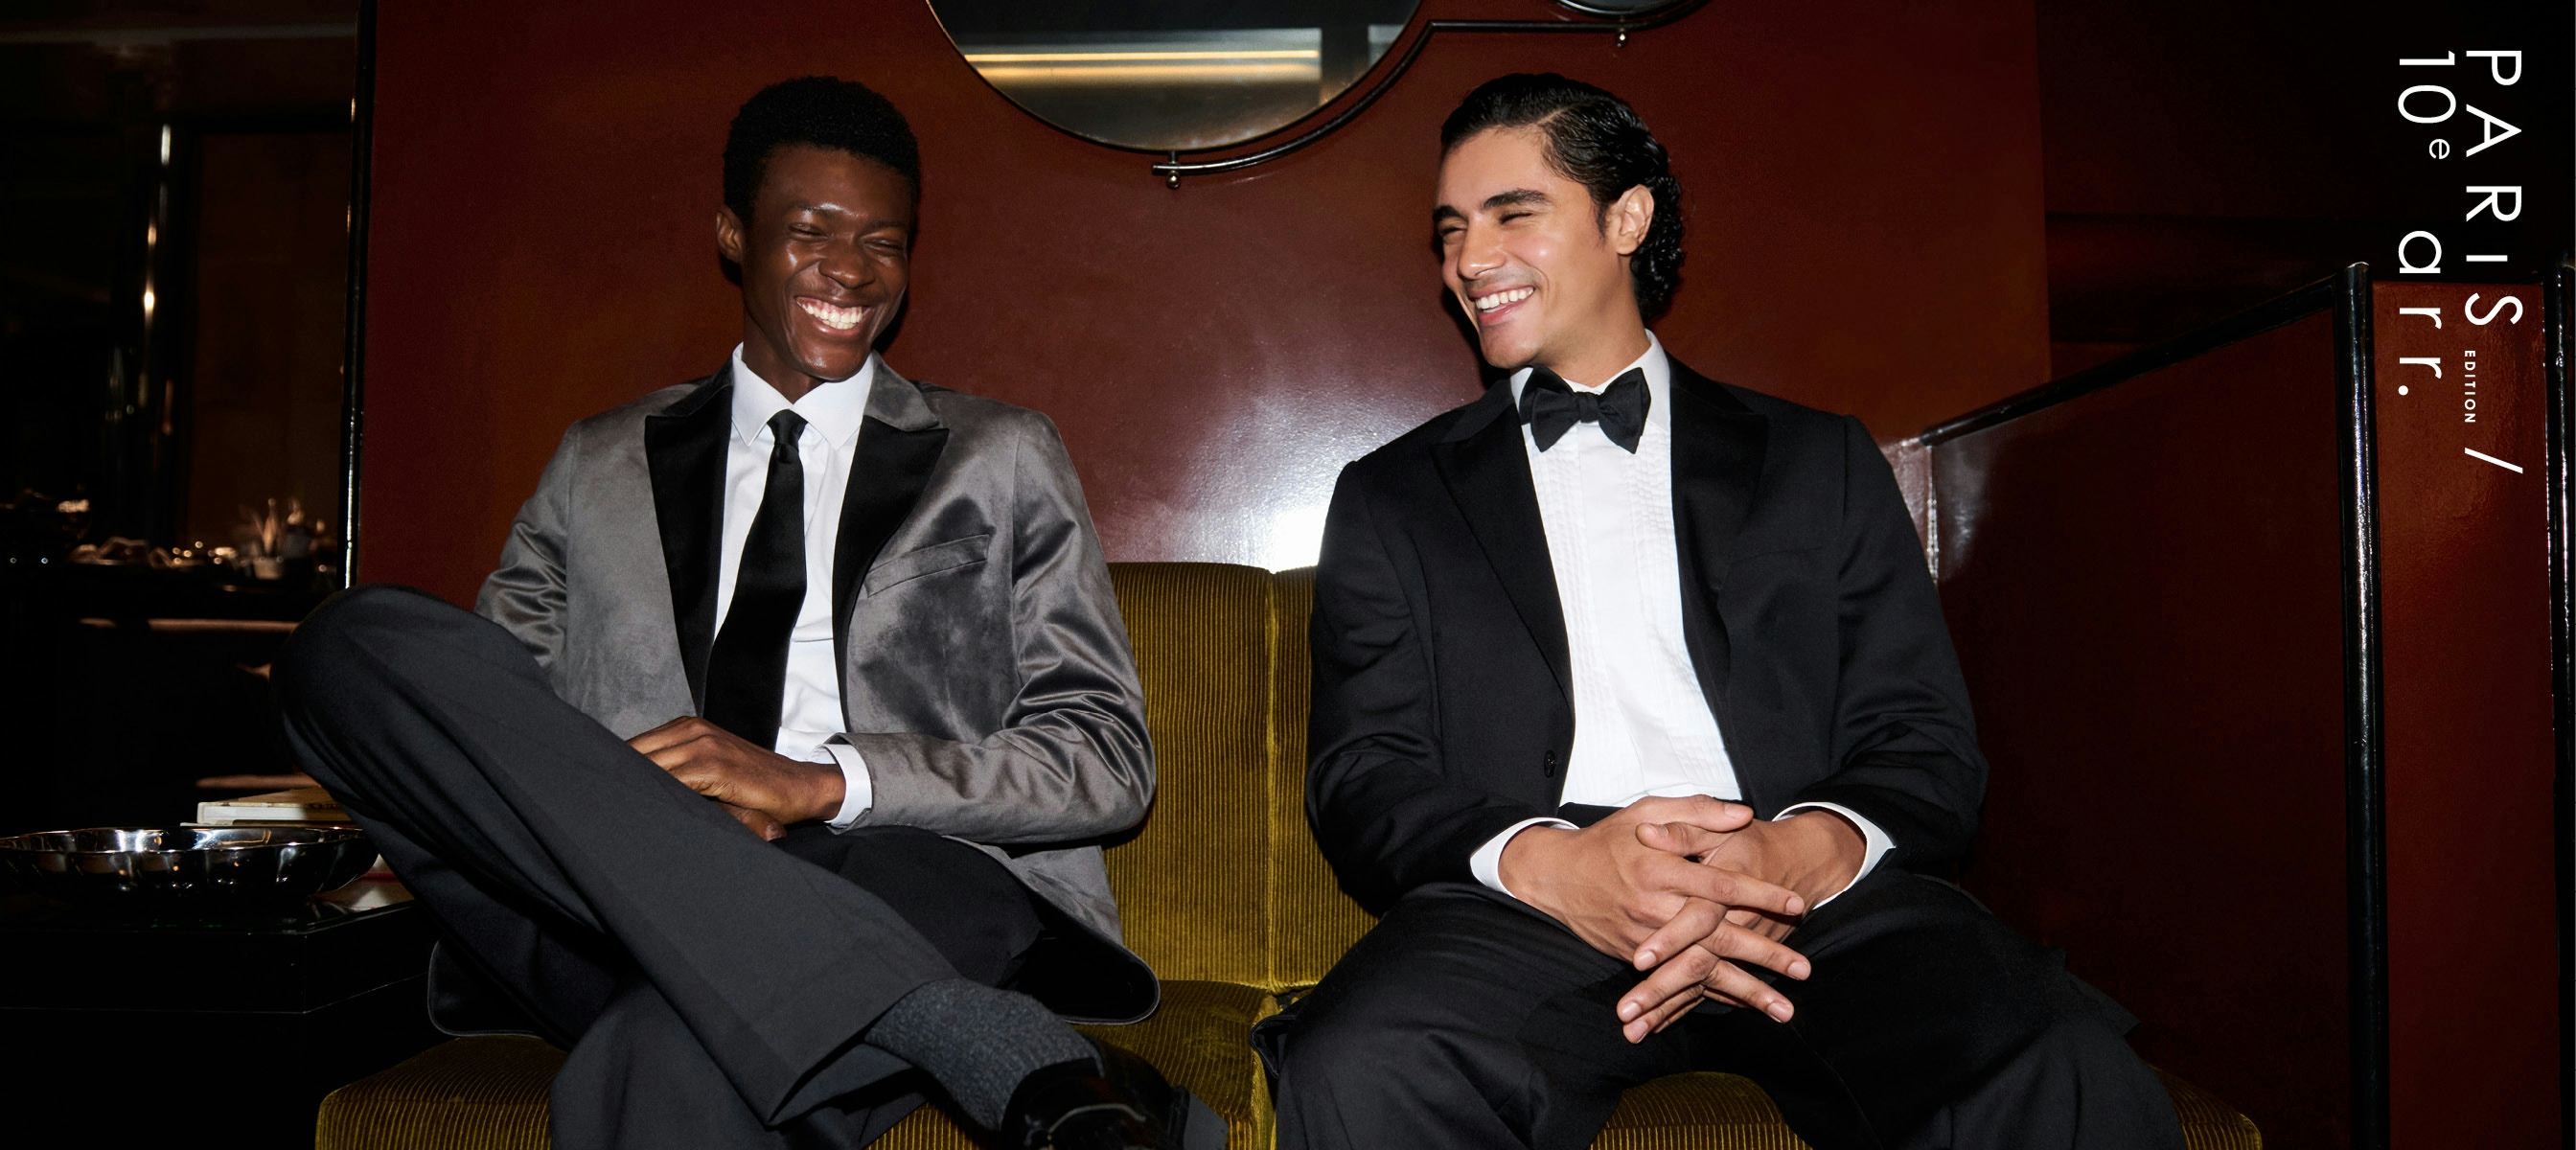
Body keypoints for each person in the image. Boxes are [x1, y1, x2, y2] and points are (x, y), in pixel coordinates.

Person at [275, 76, 1218, 1150]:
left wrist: (821, 783)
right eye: (811, 231)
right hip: (615, 894)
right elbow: (494, 727)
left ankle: (872, 987)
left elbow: (1104, 758)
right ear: (733, 235)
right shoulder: (598, 463)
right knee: (343, 647)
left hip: (900, 867)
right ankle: (947, 1022)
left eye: (884, 243)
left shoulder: (997, 456)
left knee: (668, 1056)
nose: (852, 270)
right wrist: (650, 816)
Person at [1261, 73, 2184, 1150]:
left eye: (1513, 213)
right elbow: (1364, 773)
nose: (1470, 259)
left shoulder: (1819, 461)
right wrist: (1556, 865)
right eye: (1452, 229)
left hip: (1812, 903)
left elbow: (1925, 740)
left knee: (2055, 1063)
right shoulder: (1393, 496)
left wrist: (1794, 856)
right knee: (1363, 1061)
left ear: (1626, 218)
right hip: (1537, 909)